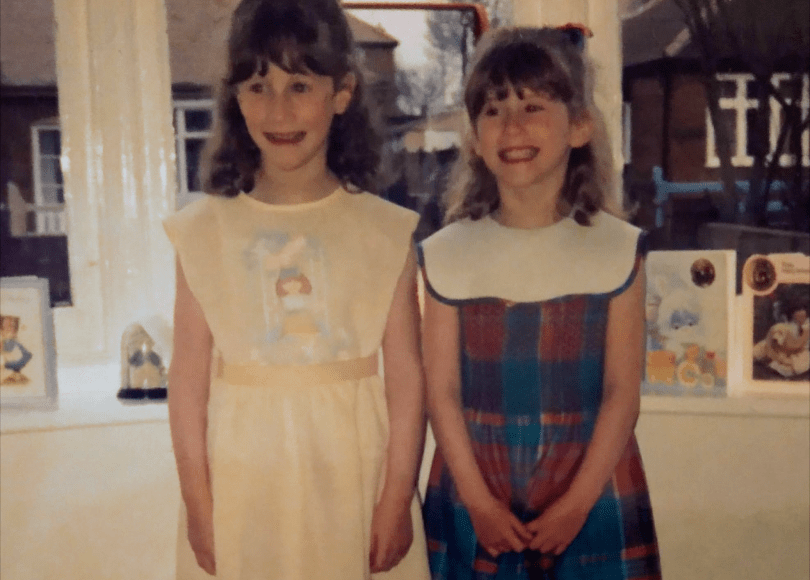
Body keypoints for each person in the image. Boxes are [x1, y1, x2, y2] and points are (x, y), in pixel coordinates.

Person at [162, 0, 430, 577]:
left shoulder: (385, 232)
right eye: (258, 87)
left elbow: (407, 379)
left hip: (353, 479)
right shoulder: (203, 233)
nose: (278, 110)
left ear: (342, 93)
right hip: (243, 486)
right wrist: (198, 504)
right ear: (236, 98)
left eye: (300, 86)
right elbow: (186, 384)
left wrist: (395, 496)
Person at [419, 26, 662, 579]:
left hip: (591, 490)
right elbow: (442, 394)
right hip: (477, 490)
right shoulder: (446, 254)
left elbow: (621, 395)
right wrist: (479, 504)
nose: (512, 127)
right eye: (493, 111)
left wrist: (575, 506)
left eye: (532, 107)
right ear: (475, 139)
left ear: (579, 127)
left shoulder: (618, 249)